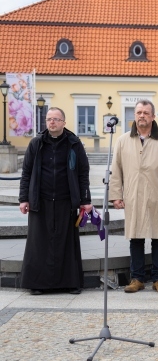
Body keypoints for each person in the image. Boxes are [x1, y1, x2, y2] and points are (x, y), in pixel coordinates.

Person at [19, 107, 92, 295]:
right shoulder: (36, 144)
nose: (52, 122)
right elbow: (26, 173)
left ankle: (71, 283)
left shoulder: (74, 144)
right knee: (39, 243)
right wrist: (23, 198)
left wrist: (85, 199)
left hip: (66, 200)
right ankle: (37, 284)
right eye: (49, 119)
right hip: (40, 201)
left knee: (67, 243)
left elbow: (83, 173)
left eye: (56, 119)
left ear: (64, 123)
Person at [110, 100, 158, 294]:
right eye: (139, 112)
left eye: (146, 113)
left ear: (153, 116)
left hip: (157, 195)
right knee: (136, 237)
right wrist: (116, 195)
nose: (142, 116)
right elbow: (116, 170)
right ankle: (137, 278)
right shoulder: (123, 140)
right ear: (134, 115)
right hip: (133, 195)